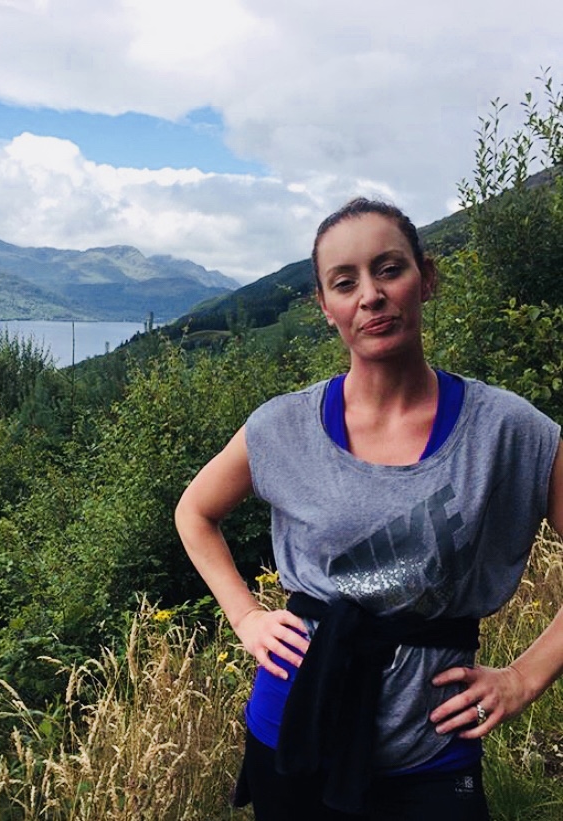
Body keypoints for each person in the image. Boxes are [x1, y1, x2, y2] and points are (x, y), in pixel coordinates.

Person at [174, 197, 563, 820]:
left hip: (433, 746)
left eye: (389, 269)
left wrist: (524, 677)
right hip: (294, 725)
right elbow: (194, 512)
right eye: (345, 282)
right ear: (325, 308)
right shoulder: (283, 426)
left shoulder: (504, 429)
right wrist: (246, 617)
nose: (371, 296)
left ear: (425, 279)